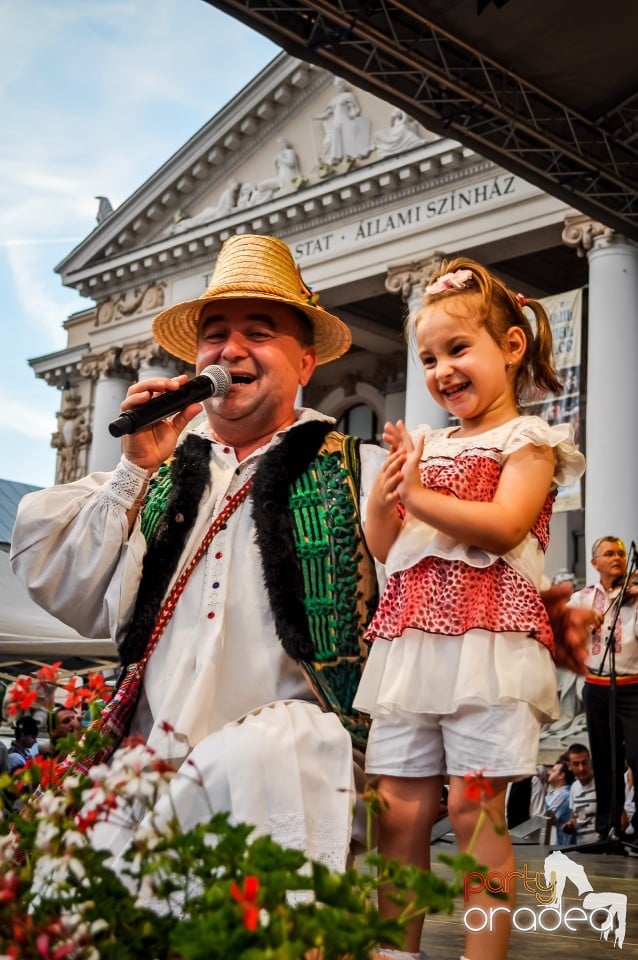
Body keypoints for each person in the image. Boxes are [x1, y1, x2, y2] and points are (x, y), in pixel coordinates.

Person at [10, 233, 386, 870]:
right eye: (214, 335)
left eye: (258, 332)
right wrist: (133, 472)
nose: (230, 350)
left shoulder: (365, 473)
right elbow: (74, 595)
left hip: (286, 790)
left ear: (305, 363)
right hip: (150, 782)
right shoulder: (149, 480)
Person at [352, 258, 586, 960]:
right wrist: (382, 497)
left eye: (458, 349)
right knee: (397, 814)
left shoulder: (532, 443)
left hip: (489, 642)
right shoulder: (426, 445)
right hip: (412, 643)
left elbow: (505, 524)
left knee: (472, 808)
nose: (442, 370)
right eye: (428, 357)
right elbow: (390, 549)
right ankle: (397, 951)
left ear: (511, 348)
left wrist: (414, 495)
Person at [567, 535, 638, 839]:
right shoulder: (582, 597)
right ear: (595, 563)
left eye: (621, 553)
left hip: (633, 689)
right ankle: (608, 827)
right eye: (609, 553)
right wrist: (581, 624)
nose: (617, 557)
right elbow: (563, 631)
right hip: (596, 687)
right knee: (605, 758)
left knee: (635, 756)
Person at [563, 742, 597, 844]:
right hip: (582, 849)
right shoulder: (574, 787)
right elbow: (575, 816)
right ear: (569, 766)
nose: (581, 768)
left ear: (590, 762)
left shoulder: (603, 785)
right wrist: (570, 824)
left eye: (584, 762)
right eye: (576, 764)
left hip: (603, 851)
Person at [545, 759, 575, 845]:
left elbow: (544, 818)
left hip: (560, 847)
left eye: (553, 771)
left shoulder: (564, 795)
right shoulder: (554, 793)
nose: (549, 773)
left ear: (561, 775)